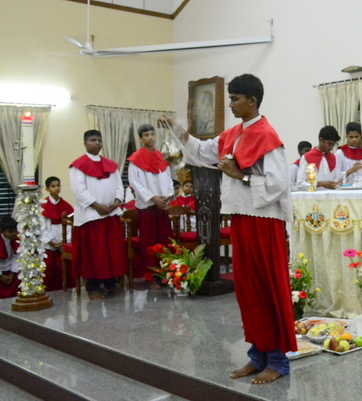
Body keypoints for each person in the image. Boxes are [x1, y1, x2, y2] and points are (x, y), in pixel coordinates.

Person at [165, 73, 296, 384]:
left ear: (252, 101)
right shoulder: (233, 134)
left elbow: (278, 184)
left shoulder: (267, 136)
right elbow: (201, 152)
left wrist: (241, 175)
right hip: (241, 217)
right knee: (248, 290)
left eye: (235, 99)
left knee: (266, 288)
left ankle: (277, 360)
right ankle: (258, 355)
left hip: (264, 221)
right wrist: (176, 128)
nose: (232, 104)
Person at [69, 130, 126, 300]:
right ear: (85, 143)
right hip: (91, 216)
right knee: (94, 254)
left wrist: (117, 201)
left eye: (99, 140)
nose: (97, 143)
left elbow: (119, 186)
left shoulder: (111, 165)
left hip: (111, 214)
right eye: (93, 140)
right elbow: (78, 190)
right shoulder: (78, 165)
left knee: (111, 252)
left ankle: (110, 284)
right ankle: (92, 287)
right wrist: (96, 206)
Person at [128, 124, 174, 282]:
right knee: (149, 242)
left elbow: (168, 178)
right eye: (146, 135)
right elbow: (134, 182)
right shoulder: (135, 159)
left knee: (164, 240)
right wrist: (153, 198)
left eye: (152, 134)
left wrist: (168, 196)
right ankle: (151, 276)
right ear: (140, 139)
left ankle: (167, 274)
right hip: (147, 206)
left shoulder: (161, 156)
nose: (150, 137)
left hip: (162, 205)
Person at [40, 176, 73, 291]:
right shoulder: (43, 206)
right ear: (47, 189)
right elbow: (42, 227)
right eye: (53, 186)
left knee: (65, 269)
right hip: (49, 243)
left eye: (58, 186)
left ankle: (66, 291)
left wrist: (65, 241)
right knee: (49, 268)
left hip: (62, 242)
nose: (56, 188)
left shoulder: (66, 206)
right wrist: (51, 242)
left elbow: (70, 226)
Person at [296, 126, 341, 190]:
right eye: (329, 144)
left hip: (331, 195)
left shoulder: (333, 157)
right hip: (314, 195)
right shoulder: (307, 157)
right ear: (321, 140)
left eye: (334, 144)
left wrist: (338, 182)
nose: (331, 147)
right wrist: (318, 184)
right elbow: (300, 183)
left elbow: (336, 178)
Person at [335, 122, 362, 188]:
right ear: (346, 137)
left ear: (361, 137)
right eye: (351, 137)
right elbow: (336, 176)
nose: (354, 140)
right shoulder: (340, 153)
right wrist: (351, 170)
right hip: (346, 188)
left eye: (356, 137)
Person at [0, 216, 20, 299]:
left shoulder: (17, 239)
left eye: (15, 231)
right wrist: (1, 276)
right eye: (10, 232)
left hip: (11, 271)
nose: (14, 234)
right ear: (1, 232)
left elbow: (17, 257)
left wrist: (12, 273)